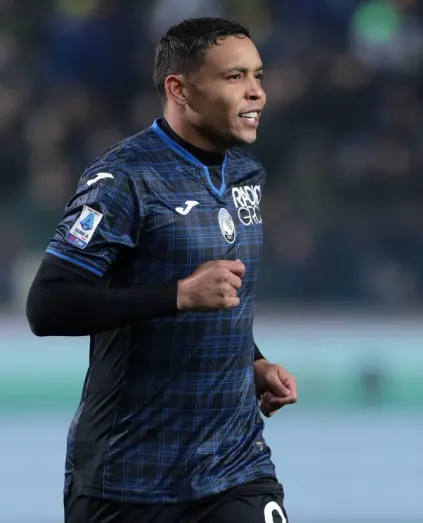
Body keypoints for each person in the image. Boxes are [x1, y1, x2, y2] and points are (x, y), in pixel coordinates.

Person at [26, 18, 297, 523]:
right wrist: (176, 295)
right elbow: (47, 305)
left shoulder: (246, 175)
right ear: (180, 89)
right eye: (234, 77)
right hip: (128, 479)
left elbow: (222, 299)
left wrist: (251, 362)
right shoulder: (122, 180)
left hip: (235, 467)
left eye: (259, 75)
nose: (257, 92)